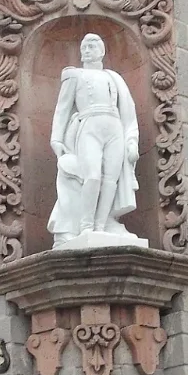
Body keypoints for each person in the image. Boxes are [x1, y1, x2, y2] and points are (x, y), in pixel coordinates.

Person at [47, 32, 145, 249]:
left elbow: (128, 112)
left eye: (91, 46)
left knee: (110, 179)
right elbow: (62, 108)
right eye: (84, 47)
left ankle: (101, 226)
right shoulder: (75, 75)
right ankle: (86, 226)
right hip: (89, 124)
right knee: (91, 176)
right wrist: (57, 139)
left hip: (114, 127)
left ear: (102, 51)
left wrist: (131, 141)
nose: (86, 50)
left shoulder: (114, 78)